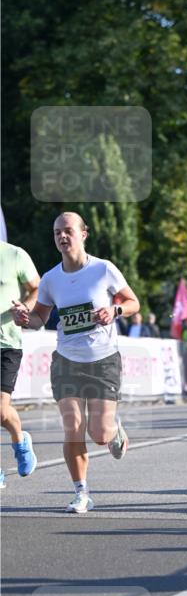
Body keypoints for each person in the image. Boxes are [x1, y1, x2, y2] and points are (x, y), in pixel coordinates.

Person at [12, 212, 140, 512]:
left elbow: (133, 302)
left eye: (68, 230)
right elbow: (40, 318)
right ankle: (81, 492)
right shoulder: (51, 279)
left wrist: (115, 311)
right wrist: (23, 318)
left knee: (99, 435)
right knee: (73, 426)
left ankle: (113, 430)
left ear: (84, 234)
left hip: (104, 359)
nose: (62, 236)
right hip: (67, 359)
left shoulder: (103, 270)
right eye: (57, 232)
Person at [0, 240, 40, 488]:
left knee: (1, 410)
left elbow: (36, 288)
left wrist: (24, 307)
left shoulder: (14, 254)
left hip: (7, 343)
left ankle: (20, 440)